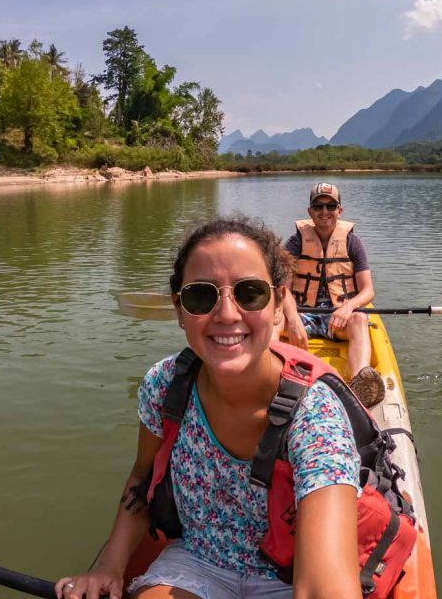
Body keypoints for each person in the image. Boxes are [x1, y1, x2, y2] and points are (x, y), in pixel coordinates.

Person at [55, 217, 363, 599]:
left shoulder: (315, 415)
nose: (227, 314)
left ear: (280, 304)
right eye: (201, 296)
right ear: (180, 309)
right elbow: (142, 477)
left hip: (288, 573)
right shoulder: (166, 384)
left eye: (250, 293)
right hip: (198, 561)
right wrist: (109, 566)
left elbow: (322, 588)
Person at [281, 183, 385, 408]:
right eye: (318, 206)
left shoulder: (352, 242)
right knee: (274, 318)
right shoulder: (296, 242)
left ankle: (360, 382)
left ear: (340, 210)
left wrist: (348, 307)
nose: (324, 211)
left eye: (330, 205)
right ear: (310, 211)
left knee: (359, 318)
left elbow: (368, 291)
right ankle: (264, 374)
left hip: (338, 317)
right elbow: (282, 290)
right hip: (304, 314)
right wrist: (293, 320)